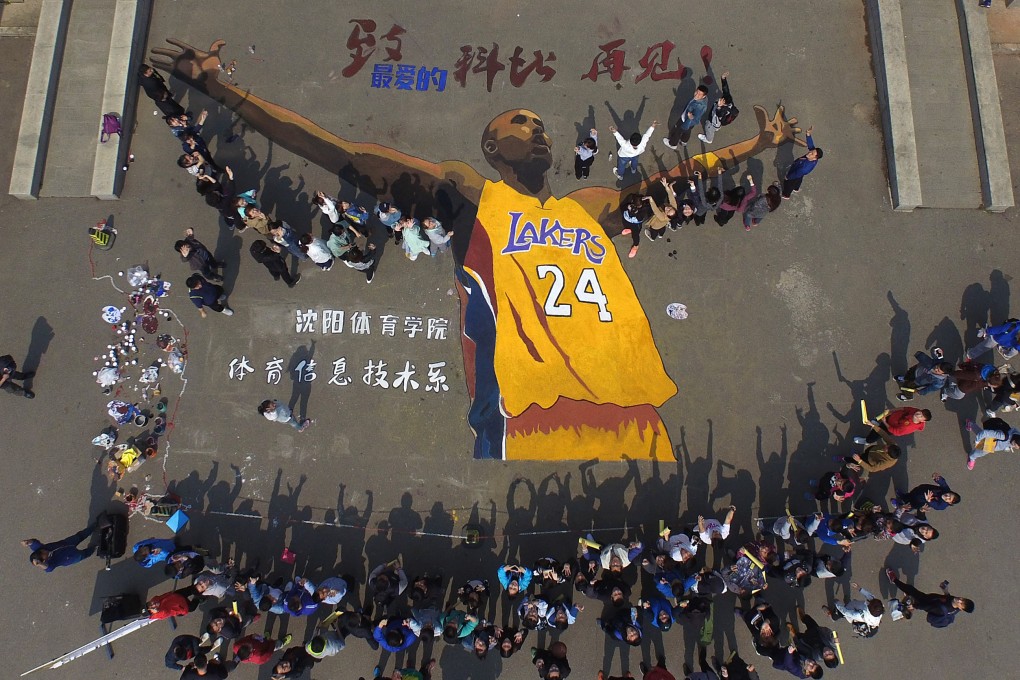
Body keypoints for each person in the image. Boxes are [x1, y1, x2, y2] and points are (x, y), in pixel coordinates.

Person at [151, 40, 802, 460]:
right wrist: (759, 147)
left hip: (523, 399)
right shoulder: (586, 209)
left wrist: (220, 90)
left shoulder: (472, 199)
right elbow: (680, 178)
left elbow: (325, 146)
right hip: (570, 403)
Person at [885, 569, 974, 627]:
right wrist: (945, 591)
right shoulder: (955, 605)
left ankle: (894, 580)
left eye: (961, 603)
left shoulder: (941, 608)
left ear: (961, 609)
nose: (959, 600)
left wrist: (915, 606)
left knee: (910, 590)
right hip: (931, 599)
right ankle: (910, 596)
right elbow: (949, 599)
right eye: (963, 599)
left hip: (926, 600)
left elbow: (926, 606)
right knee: (912, 594)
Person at [22, 523, 96, 571]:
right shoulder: (50, 562)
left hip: (66, 543)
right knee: (83, 554)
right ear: (44, 560)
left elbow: (34, 543)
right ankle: (95, 547)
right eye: (44, 554)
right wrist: (39, 564)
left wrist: (27, 542)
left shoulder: (40, 549)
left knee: (80, 536)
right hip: (70, 557)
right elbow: (48, 568)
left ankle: (94, 526)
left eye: (42, 551)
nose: (45, 551)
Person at [894, 472, 960, 517]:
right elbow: (943, 483)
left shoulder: (942, 506)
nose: (947, 496)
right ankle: (902, 496)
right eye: (950, 495)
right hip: (921, 490)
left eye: (949, 499)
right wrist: (938, 478)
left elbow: (936, 505)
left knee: (910, 505)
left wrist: (929, 501)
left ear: (950, 503)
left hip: (920, 501)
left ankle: (899, 507)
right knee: (910, 495)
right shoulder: (946, 490)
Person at [781, 126, 822, 198]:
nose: (809, 153)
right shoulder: (814, 158)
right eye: (811, 151)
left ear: (815, 158)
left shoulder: (805, 168)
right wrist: (808, 134)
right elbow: (811, 145)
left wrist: (787, 177)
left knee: (789, 184)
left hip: (796, 171)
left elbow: (796, 173)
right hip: (800, 172)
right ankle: (796, 188)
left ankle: (786, 195)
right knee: (799, 179)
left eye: (812, 154)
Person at [699, 71, 737, 144]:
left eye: (722, 100)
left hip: (713, 123)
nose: (720, 99)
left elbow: (719, 113)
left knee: (708, 127)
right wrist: (723, 79)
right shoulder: (729, 101)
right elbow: (726, 90)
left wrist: (719, 106)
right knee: (716, 125)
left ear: (724, 104)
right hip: (718, 122)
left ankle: (708, 139)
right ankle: (716, 128)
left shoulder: (723, 110)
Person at [641, 177, 678, 242]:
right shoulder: (674, 208)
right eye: (670, 208)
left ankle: (652, 237)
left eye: (668, 211)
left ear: (666, 215)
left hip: (656, 225)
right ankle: (661, 235)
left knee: (654, 230)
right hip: (663, 223)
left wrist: (651, 199)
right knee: (662, 228)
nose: (668, 208)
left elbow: (655, 210)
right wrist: (666, 187)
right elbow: (671, 196)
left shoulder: (662, 217)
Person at [864, 407, 931, 441]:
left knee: (876, 434)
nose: (918, 414)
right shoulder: (915, 411)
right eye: (920, 412)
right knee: (879, 426)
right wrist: (891, 410)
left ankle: (867, 440)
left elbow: (895, 432)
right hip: (889, 418)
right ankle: (876, 426)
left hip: (888, 427)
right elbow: (904, 408)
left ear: (923, 421)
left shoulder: (908, 427)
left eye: (921, 416)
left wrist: (885, 422)